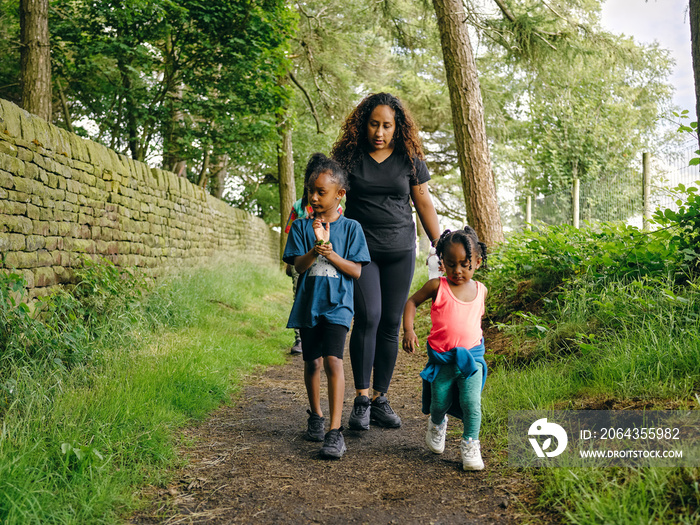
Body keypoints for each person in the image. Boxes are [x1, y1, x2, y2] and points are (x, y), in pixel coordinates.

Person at [331, 92, 441, 430]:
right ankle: (361, 398)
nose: (380, 132)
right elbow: (330, 195)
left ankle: (380, 397)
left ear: (398, 128)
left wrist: (440, 244)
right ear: (364, 124)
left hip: (400, 251)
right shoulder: (349, 158)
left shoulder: (409, 158)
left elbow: (423, 203)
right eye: (374, 124)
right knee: (369, 316)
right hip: (360, 252)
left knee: (391, 322)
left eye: (387, 126)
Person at [283, 153, 370, 459]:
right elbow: (298, 265)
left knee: (334, 359)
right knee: (313, 362)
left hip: (339, 306)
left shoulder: (351, 229)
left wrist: (331, 254)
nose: (315, 197)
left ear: (340, 194)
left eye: (322, 192)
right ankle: (316, 416)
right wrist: (314, 249)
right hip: (309, 305)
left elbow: (357, 270)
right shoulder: (301, 227)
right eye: (311, 191)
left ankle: (335, 432)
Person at [402, 226, 488, 470]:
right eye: (451, 264)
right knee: (438, 403)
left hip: (471, 361)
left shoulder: (481, 290)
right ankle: (437, 423)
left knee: (472, 404)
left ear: (478, 262)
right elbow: (411, 302)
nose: (457, 270)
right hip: (443, 360)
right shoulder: (437, 286)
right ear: (442, 262)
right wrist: (409, 330)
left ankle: (471, 445)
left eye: (464, 264)